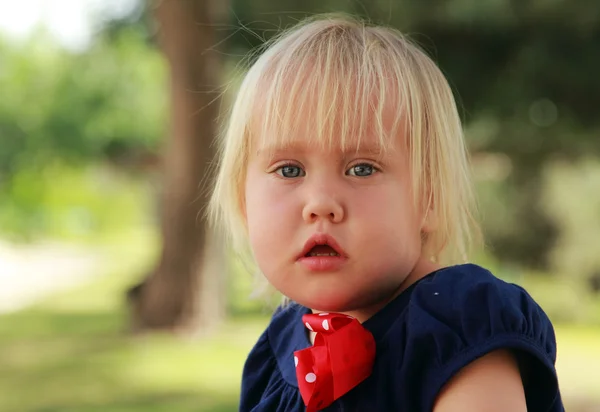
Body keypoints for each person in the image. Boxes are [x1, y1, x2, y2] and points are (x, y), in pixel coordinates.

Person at [209, 13, 564, 412]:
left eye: (362, 168)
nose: (321, 203)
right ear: (243, 201)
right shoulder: (274, 360)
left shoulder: (461, 328)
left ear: (428, 196)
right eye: (289, 170)